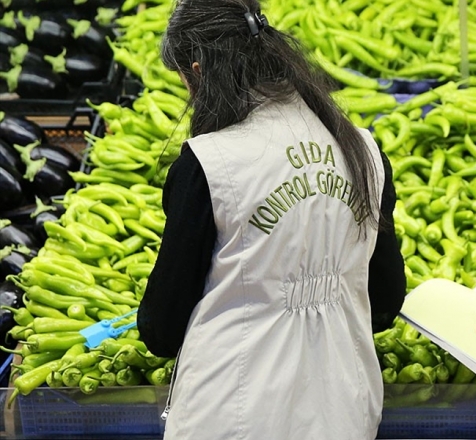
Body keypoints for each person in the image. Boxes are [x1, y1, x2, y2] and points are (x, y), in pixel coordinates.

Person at [135, 0, 407, 438]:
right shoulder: (363, 150)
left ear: (199, 69)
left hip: (233, 413)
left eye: (185, 80)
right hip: (345, 406)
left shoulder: (210, 163)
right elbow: (386, 301)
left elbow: (161, 329)